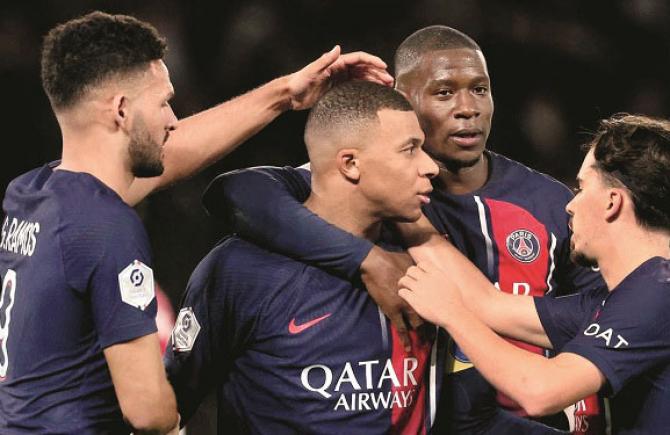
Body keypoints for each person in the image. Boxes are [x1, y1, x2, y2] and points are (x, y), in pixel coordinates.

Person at [0, 11, 391, 434]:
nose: (172, 119)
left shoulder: (32, 194)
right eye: (164, 102)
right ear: (121, 110)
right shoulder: (107, 225)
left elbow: (170, 155)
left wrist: (284, 93)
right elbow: (149, 412)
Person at [204, 25, 603, 433]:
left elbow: (604, 317)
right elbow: (236, 191)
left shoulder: (549, 203)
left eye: (480, 90)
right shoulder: (370, 193)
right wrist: (367, 259)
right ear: (402, 100)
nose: (468, 108)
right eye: (444, 93)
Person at [164, 81, 442, 433]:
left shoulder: (428, 258)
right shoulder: (241, 270)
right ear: (351, 163)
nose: (431, 166)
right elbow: (165, 411)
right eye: (410, 149)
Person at [397, 113, 670, 434]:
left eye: (582, 188)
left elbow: (540, 391)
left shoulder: (659, 288)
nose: (571, 205)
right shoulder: (628, 296)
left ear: (613, 201)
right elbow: (489, 305)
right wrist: (403, 210)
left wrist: (452, 314)